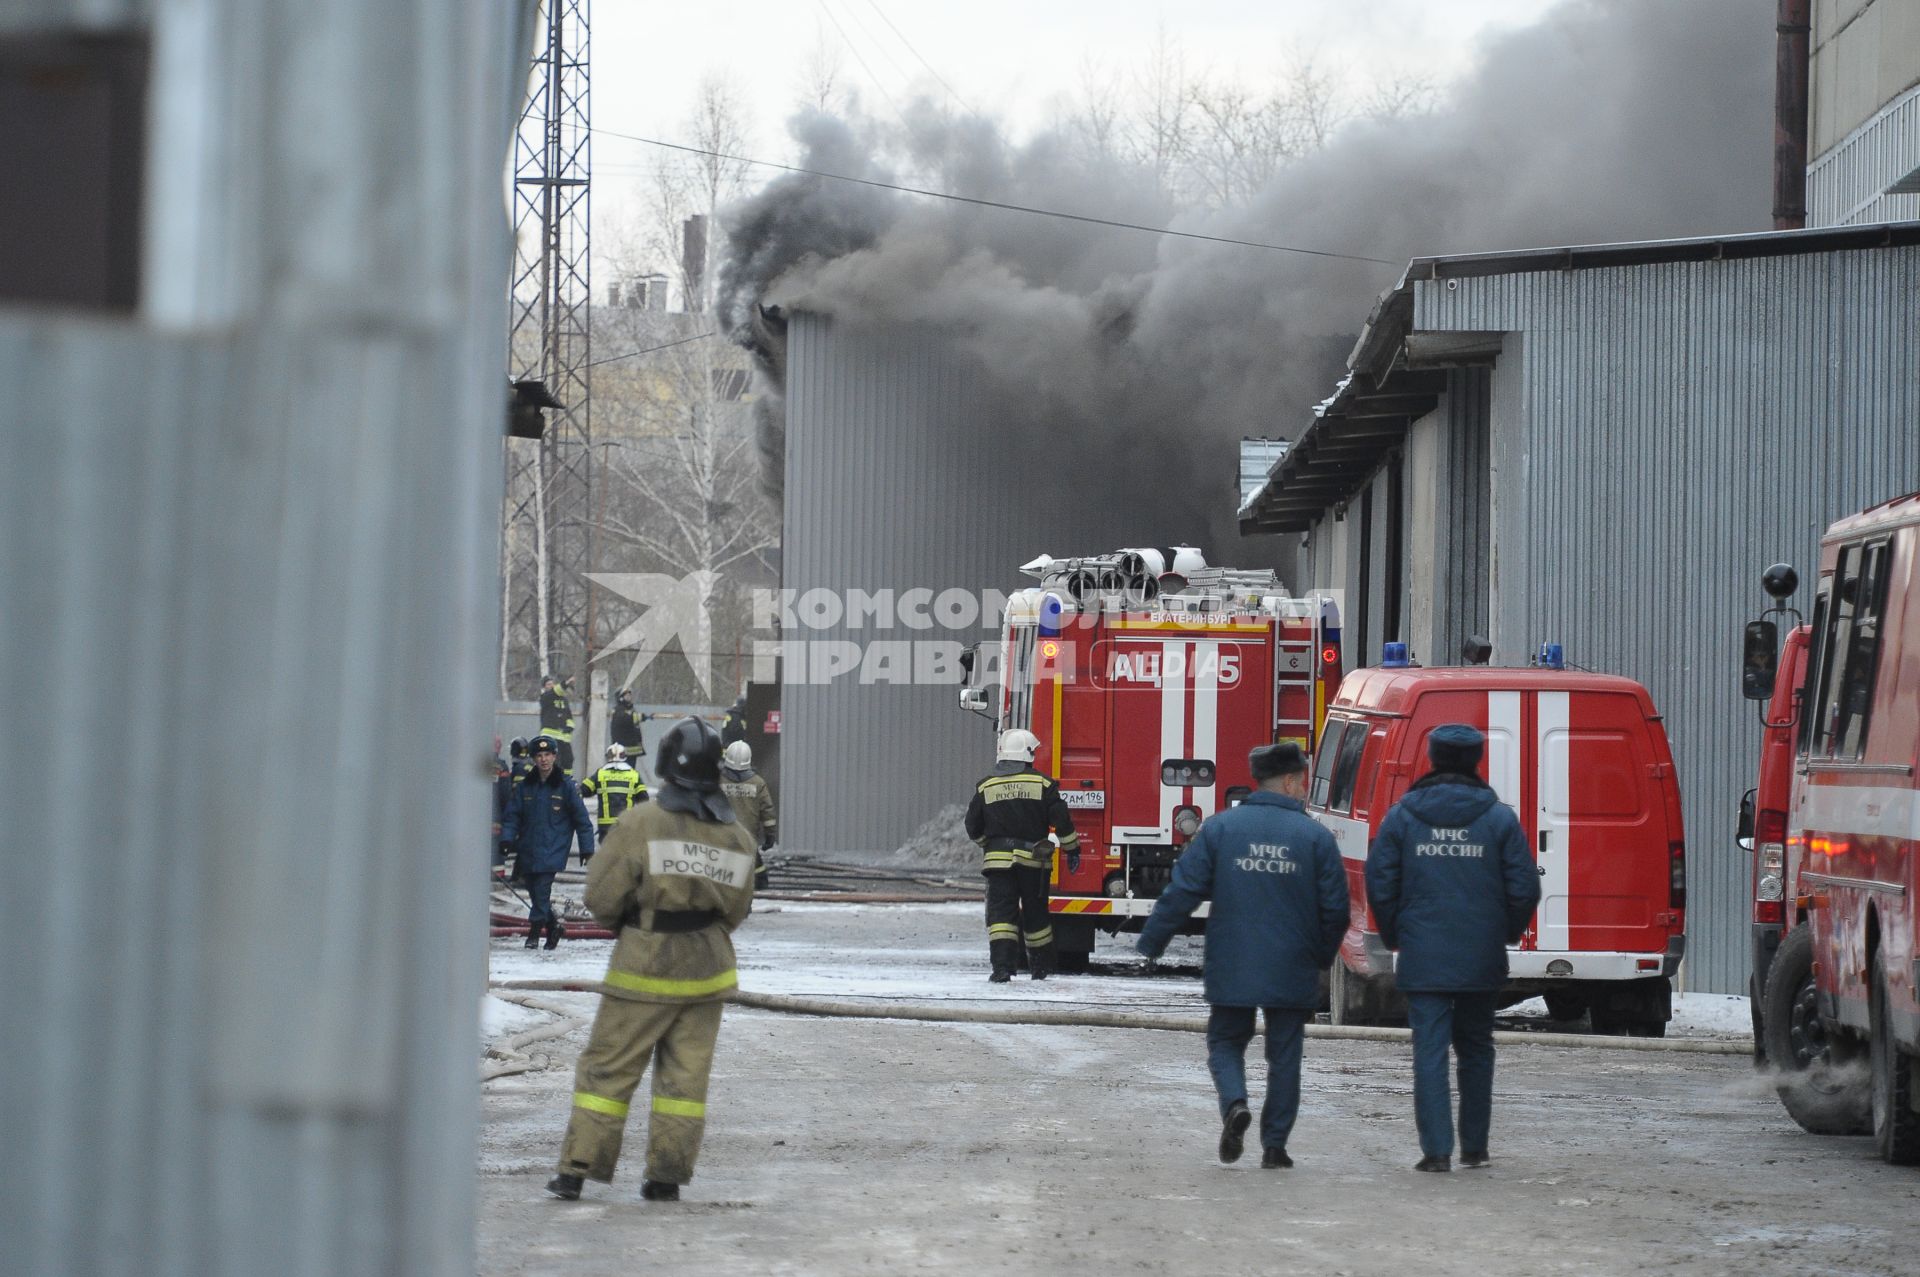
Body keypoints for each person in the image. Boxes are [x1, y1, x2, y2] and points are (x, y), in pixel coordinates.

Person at [545, 716, 757, 1203]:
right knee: (684, 1080)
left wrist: (633, 923)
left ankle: (578, 1169)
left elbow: (600, 895)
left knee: (607, 1070)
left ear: (663, 766)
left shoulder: (641, 823)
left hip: (644, 967)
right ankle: (666, 1177)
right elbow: (738, 909)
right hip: (708, 971)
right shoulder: (737, 837)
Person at [1136, 742, 1348, 1168]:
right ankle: (1275, 1147)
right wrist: (1320, 958)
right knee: (1285, 1055)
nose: (1304, 789)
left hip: (1233, 961)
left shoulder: (1220, 829)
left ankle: (1235, 1103)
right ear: (1289, 781)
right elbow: (1336, 909)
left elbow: (1184, 889)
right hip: (1293, 963)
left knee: (1225, 1041)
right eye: (1302, 782)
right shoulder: (1316, 838)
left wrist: (1153, 940)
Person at [1365, 723, 1540, 1172]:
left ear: (1433, 758)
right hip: (1480, 956)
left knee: (1429, 1050)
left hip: (1423, 955)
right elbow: (1524, 888)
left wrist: (1396, 935)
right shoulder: (1499, 818)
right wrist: (1502, 932)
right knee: (1477, 1048)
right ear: (1476, 761)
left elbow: (1380, 883)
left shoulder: (1403, 817)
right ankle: (1475, 1147)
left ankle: (1437, 1152)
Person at [963, 728, 1080, 983]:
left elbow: (972, 825)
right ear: (1027, 754)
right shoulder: (1043, 784)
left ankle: (1002, 969)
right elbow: (1061, 821)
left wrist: (989, 845)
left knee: (1001, 918)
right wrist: (1072, 849)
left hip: (998, 864)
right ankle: (1041, 968)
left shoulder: (986, 785)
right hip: (1033, 863)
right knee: (1036, 914)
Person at [500, 735, 596, 950]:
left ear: (554, 756)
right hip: (529, 849)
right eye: (539, 755)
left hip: (553, 850)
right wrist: (506, 839)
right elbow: (513, 816)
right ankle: (553, 927)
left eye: (547, 755)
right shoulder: (526, 787)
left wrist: (586, 849)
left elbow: (582, 820)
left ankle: (533, 934)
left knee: (541, 890)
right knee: (535, 892)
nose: (543, 759)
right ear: (534, 758)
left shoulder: (566, 787)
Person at [719, 740, 776, 890]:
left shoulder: (717, 781)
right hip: (748, 839)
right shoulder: (758, 783)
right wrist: (770, 836)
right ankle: (759, 887)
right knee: (756, 871)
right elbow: (767, 812)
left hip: (721, 837)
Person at [580, 743, 648, 851]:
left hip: (606, 828)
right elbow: (644, 800)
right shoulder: (633, 775)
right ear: (624, 757)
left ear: (608, 757)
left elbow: (584, 790)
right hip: (627, 825)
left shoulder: (600, 774)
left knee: (608, 859)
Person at [539, 675, 577, 774]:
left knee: (569, 760)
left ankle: (568, 781)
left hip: (563, 738)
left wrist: (570, 727)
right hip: (550, 737)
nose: (551, 686)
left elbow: (568, 715)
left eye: (552, 683)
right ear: (544, 687)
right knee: (555, 761)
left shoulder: (564, 700)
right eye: (548, 684)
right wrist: (566, 683)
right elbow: (556, 691)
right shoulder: (545, 697)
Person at [610, 689, 649, 760]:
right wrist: (640, 717)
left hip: (632, 748)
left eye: (630, 695)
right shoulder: (618, 710)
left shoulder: (630, 710)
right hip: (623, 749)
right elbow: (625, 719)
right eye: (627, 696)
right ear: (621, 698)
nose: (629, 698)